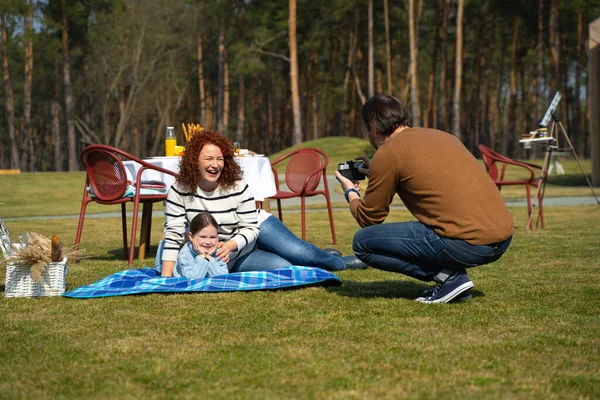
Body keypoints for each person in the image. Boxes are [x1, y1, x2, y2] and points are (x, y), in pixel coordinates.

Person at [334, 94, 514, 303]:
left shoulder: (388, 152)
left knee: (363, 243)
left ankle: (450, 278)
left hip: (468, 245)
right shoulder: (442, 136)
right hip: (501, 239)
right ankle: (452, 278)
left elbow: (369, 219)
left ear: (373, 128)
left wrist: (351, 192)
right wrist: (378, 171)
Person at [158, 131, 365, 277]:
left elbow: (250, 227)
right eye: (208, 159)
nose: (215, 164)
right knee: (285, 266)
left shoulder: (237, 186)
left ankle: (340, 263)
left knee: (297, 252)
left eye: (220, 159)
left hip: (255, 228)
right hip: (231, 256)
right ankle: (322, 256)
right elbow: (174, 235)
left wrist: (230, 244)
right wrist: (166, 280)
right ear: (194, 161)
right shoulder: (179, 190)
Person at [173, 212, 229, 279]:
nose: (208, 242)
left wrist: (209, 258)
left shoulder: (218, 252)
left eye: (212, 237)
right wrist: (202, 257)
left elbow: (223, 279)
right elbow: (191, 279)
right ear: (191, 236)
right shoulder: (185, 253)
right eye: (203, 237)